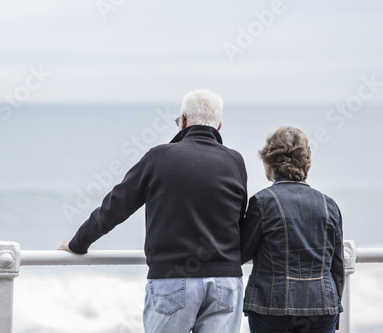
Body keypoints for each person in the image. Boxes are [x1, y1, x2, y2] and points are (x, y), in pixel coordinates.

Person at [58, 89, 248, 333]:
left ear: (183, 120)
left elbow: (116, 205)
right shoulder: (235, 161)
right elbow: (240, 218)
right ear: (219, 126)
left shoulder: (160, 157)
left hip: (173, 279)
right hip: (226, 282)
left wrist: (77, 244)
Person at [240, 126, 344, 333]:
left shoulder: (262, 202)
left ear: (270, 163)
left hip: (271, 307)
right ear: (306, 162)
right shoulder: (329, 204)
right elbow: (337, 266)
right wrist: (332, 305)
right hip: (322, 307)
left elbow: (241, 252)